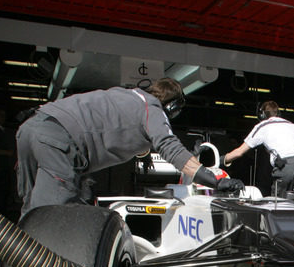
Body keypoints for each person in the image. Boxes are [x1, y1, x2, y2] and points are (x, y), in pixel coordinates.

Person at [15, 77, 231, 217]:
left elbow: (112, 128)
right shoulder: (152, 108)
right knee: (52, 216)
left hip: (32, 127)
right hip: (58, 141)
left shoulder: (125, 94)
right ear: (172, 106)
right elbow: (169, 146)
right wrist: (213, 180)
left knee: (30, 208)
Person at [222, 101, 294, 199]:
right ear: (278, 113)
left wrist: (221, 160)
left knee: (279, 205)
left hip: (284, 166)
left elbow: (239, 152)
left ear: (262, 115)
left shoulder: (263, 126)